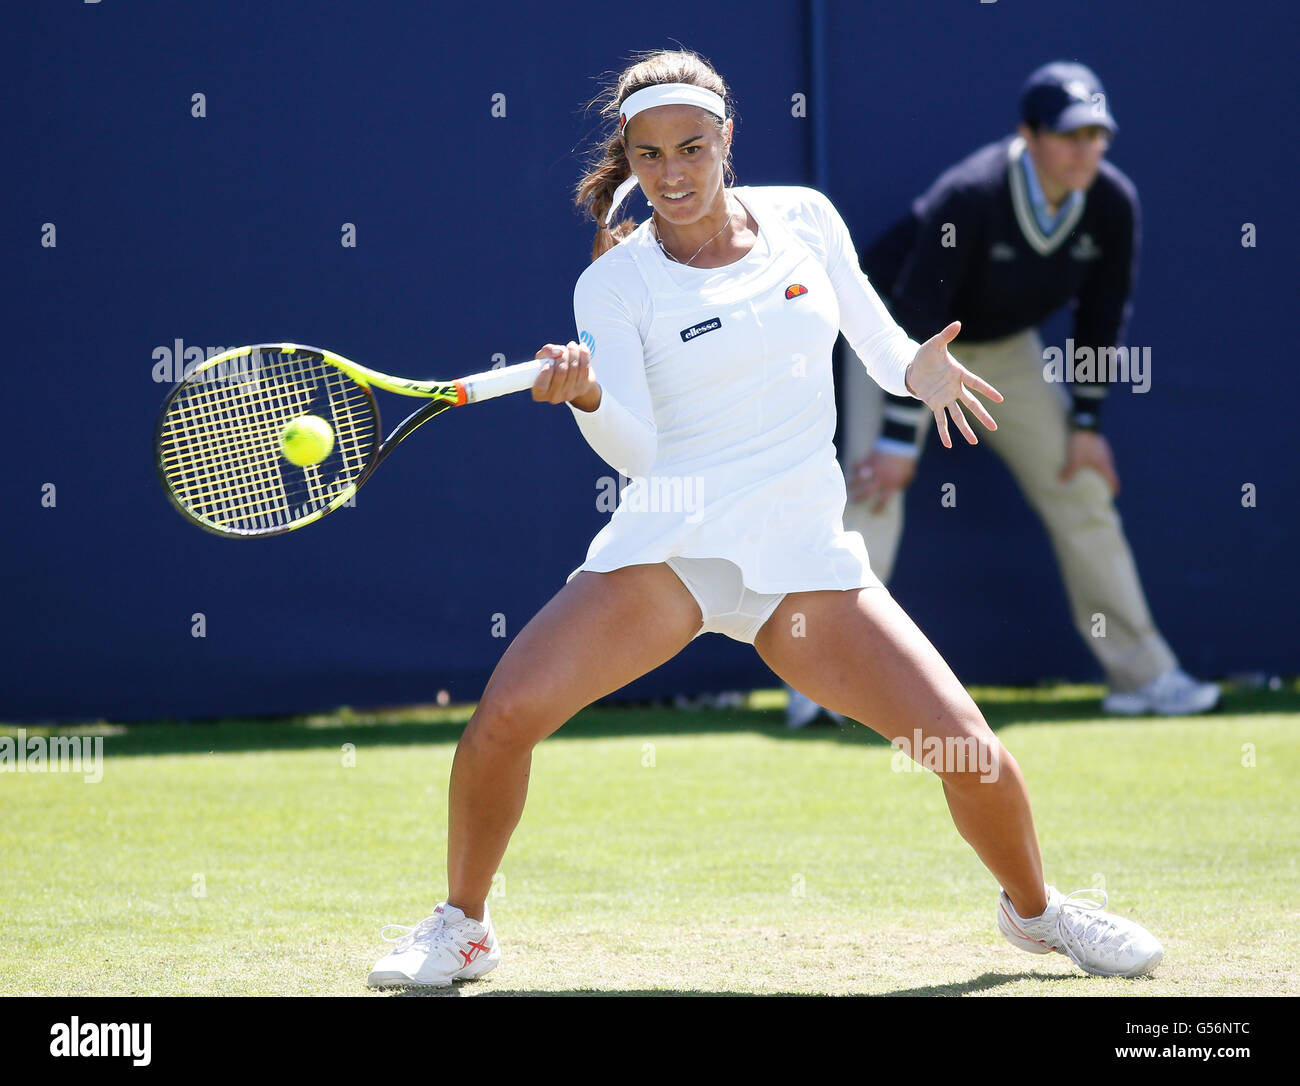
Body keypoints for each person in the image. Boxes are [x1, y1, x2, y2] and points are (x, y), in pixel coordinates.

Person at [366, 49, 1163, 989]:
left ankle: (1036, 914)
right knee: (501, 721)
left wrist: (922, 370)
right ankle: (464, 925)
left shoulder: (805, 221)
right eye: (651, 155)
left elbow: (879, 343)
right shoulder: (614, 286)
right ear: (629, 154)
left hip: (799, 558)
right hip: (673, 551)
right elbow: (635, 449)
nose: (671, 174)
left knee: (968, 750)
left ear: (726, 139)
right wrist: (585, 399)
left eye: (692, 149)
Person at [831, 60, 1219, 719]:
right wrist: (899, 440)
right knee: (875, 486)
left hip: (1005, 352)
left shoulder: (1112, 201)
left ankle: (1142, 677)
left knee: (1082, 484)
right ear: (1029, 135)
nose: (1087, 150)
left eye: (1098, 135)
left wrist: (1088, 426)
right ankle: (827, 684)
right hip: (900, 338)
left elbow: (1102, 314)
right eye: (1071, 136)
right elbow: (920, 310)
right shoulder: (973, 193)